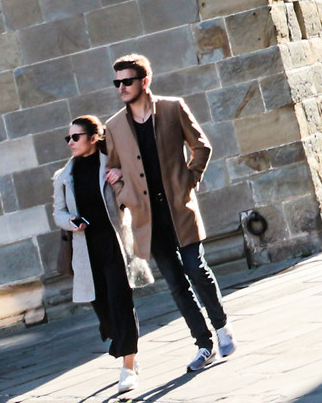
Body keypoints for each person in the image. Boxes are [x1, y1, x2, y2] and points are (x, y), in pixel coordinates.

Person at [104, 55, 235, 373]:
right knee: (177, 285)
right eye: (117, 82)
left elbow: (201, 146)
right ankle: (204, 345)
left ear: (144, 82)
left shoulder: (173, 108)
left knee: (197, 270)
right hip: (148, 219)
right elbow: (112, 169)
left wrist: (190, 180)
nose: (121, 87)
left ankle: (221, 327)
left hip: (180, 209)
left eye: (127, 81)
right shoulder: (114, 126)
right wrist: (124, 193)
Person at [53, 114, 143, 393]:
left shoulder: (110, 167)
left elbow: (133, 196)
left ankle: (129, 366)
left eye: (75, 137)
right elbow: (58, 212)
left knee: (121, 303)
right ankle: (121, 341)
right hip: (86, 250)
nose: (70, 142)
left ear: (94, 138)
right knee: (104, 311)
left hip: (115, 246)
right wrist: (71, 222)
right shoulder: (63, 177)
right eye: (67, 138)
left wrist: (121, 178)